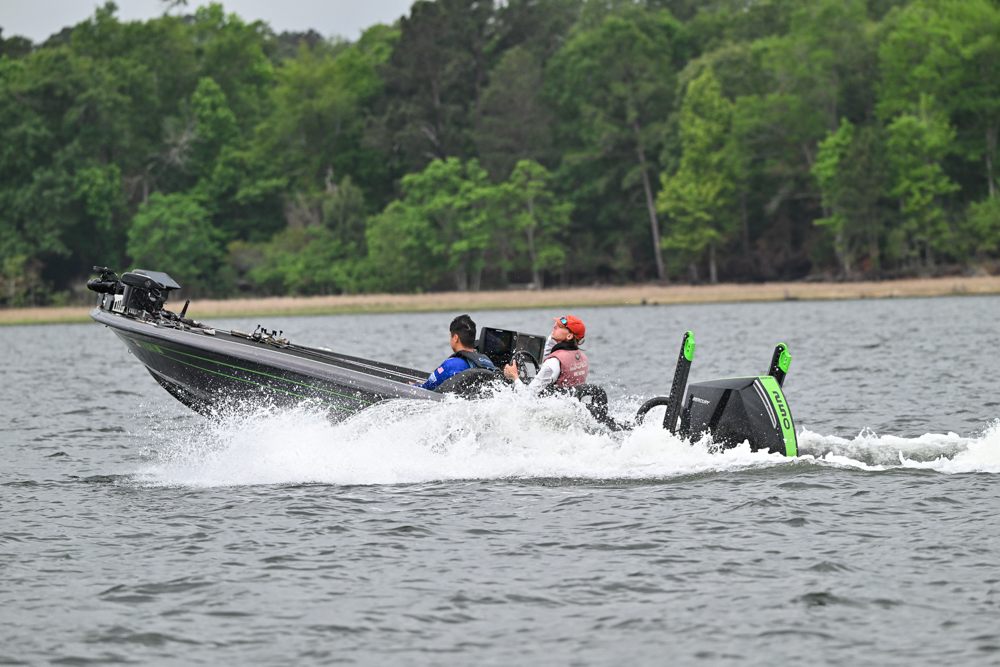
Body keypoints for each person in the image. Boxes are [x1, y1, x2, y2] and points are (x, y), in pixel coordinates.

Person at [503, 315, 588, 393]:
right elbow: (549, 349)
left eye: (560, 326)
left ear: (569, 336)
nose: (554, 327)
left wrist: (514, 376)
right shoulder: (583, 358)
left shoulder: (553, 363)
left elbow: (527, 395)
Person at [415, 314, 496, 391]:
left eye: (450, 335)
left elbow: (426, 389)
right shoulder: (486, 362)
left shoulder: (452, 365)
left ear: (455, 338)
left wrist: (414, 385)